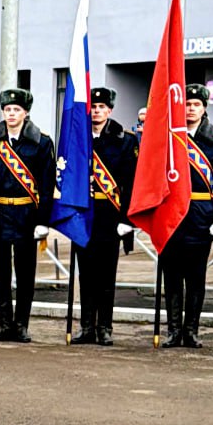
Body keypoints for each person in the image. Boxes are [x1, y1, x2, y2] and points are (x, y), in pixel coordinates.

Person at [161, 84, 213, 348]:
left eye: (195, 105)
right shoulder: (170, 137)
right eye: (187, 104)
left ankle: (191, 330)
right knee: (171, 277)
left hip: (202, 216)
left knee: (195, 278)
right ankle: (173, 330)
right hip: (171, 216)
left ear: (204, 108)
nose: (190, 109)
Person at [0, 88, 56, 343]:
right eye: (7, 110)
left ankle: (21, 325)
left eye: (16, 110)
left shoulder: (41, 142)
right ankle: (5, 324)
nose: (11, 114)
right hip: (0, 213)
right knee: (0, 273)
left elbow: (47, 185)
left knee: (25, 273)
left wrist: (43, 220)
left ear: (25, 113)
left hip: (27, 214)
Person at [72, 87, 139, 346]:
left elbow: (131, 182)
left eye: (102, 107)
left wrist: (127, 219)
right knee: (85, 274)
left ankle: (104, 327)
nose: (97, 111)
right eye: (94, 107)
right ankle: (86, 326)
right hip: (84, 215)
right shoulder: (77, 137)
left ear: (110, 110)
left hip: (111, 217)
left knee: (106, 275)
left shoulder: (125, 140)